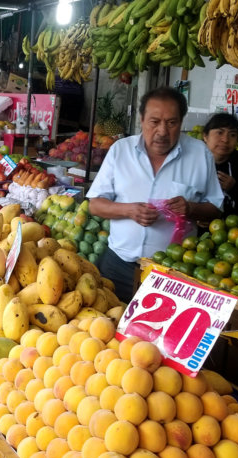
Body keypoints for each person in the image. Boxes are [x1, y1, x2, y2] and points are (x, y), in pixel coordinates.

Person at [87, 87, 225, 302]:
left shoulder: (200, 154)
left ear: (181, 122)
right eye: (154, 122)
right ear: (141, 120)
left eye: (171, 123)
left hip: (173, 275)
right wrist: (129, 210)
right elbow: (95, 204)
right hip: (118, 266)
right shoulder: (120, 151)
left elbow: (216, 208)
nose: (162, 131)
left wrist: (191, 209)